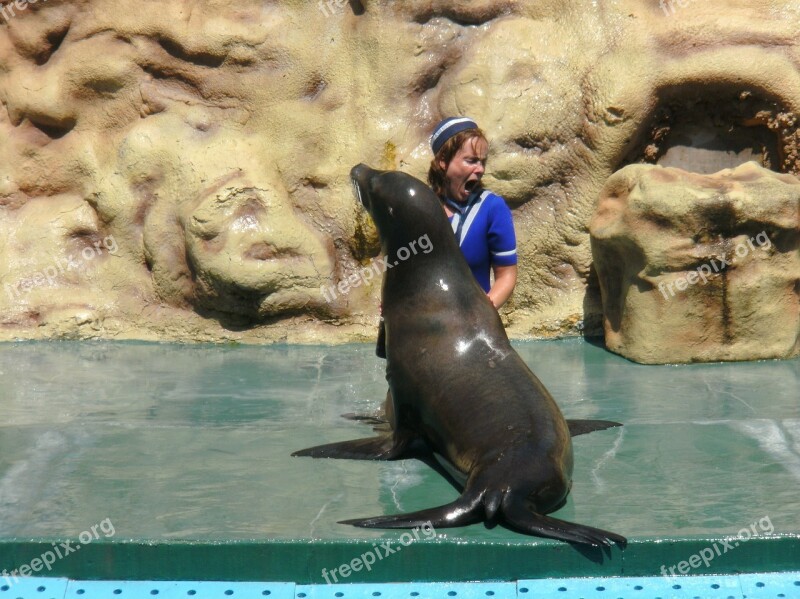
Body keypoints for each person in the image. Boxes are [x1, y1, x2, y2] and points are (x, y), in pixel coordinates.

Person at [428, 116, 518, 309]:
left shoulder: (492, 208)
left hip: (473, 327)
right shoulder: (423, 207)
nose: (480, 169)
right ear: (443, 161)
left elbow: (507, 275)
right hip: (427, 327)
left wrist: (482, 313)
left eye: (482, 162)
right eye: (471, 161)